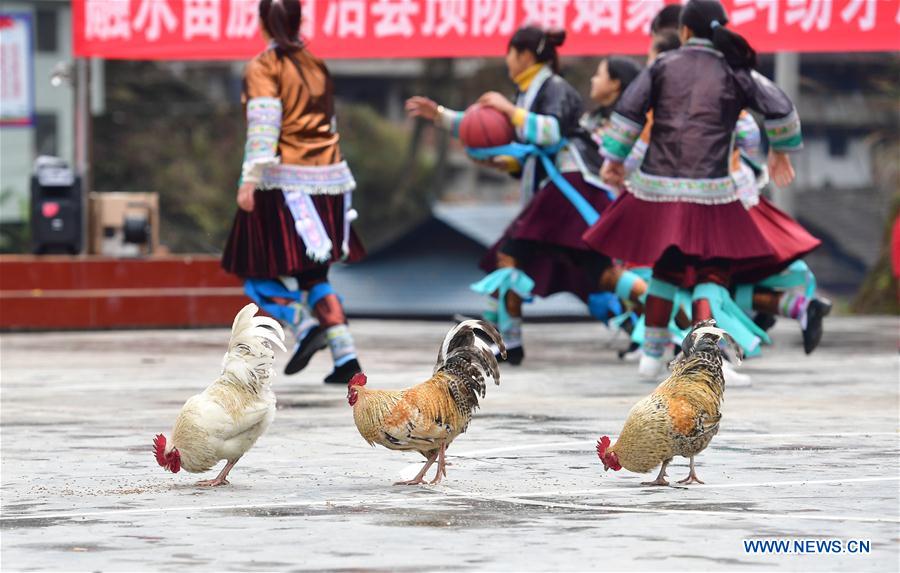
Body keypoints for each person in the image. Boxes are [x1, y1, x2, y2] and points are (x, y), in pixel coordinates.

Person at [583, 0, 805, 382]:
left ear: (684, 31)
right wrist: (780, 153)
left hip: (658, 188)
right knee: (711, 272)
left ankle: (650, 358)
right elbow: (780, 106)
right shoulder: (734, 70)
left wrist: (615, 160)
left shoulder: (662, 66)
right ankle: (706, 362)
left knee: (666, 269)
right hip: (710, 190)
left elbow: (630, 111)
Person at [406, 27, 647, 365]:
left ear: (525, 55)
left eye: (509, 52)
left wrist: (507, 109)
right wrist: (444, 117)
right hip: (559, 189)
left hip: (568, 187)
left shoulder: (555, 88)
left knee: (507, 256)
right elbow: (496, 131)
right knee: (599, 273)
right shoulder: (529, 92)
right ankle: (661, 309)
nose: (507, 60)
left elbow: (550, 131)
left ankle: (504, 344)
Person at [221, 0, 364, 385]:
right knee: (314, 275)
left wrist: (249, 179)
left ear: (262, 22)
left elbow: (265, 126)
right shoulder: (316, 64)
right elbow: (329, 122)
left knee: (251, 268)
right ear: (300, 20)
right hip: (330, 181)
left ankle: (301, 325)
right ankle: (345, 355)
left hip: (282, 181)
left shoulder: (264, 66)